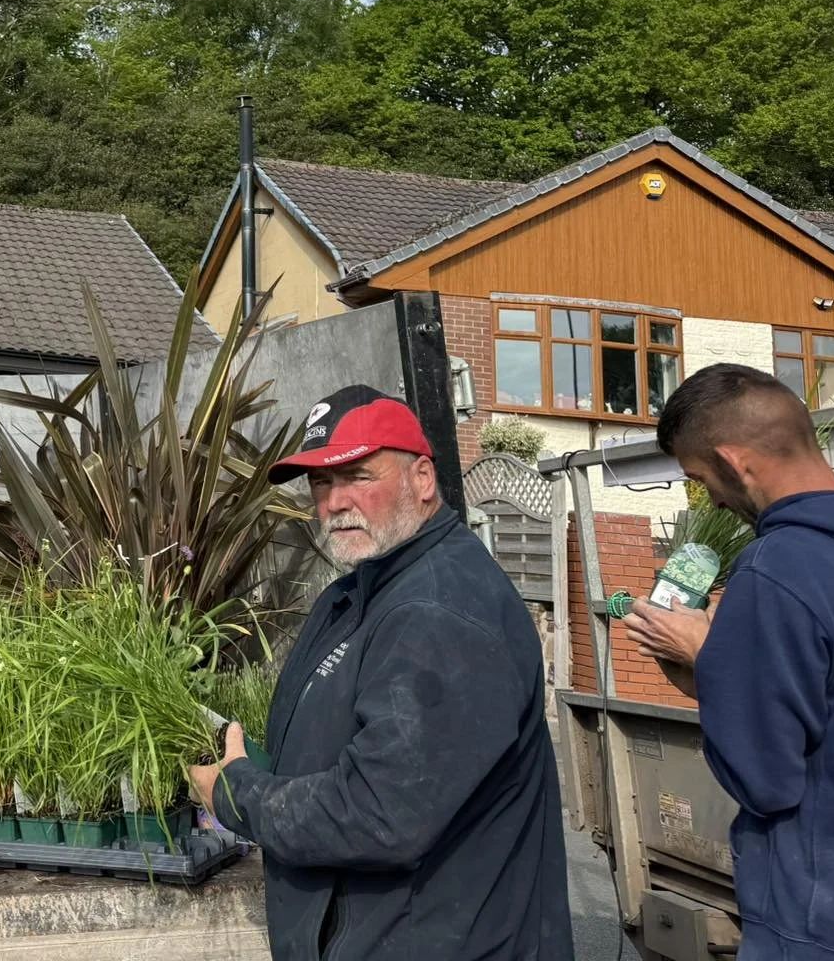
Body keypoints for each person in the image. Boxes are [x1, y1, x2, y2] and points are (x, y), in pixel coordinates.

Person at [189, 384, 572, 961]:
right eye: (321, 482)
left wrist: (238, 793)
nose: (335, 502)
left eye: (359, 476)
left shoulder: (440, 611)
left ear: (422, 479)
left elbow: (381, 813)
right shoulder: (358, 593)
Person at [621, 362, 834, 961]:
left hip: (823, 925)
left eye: (701, 478)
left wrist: (711, 665)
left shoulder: (778, 569)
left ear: (734, 463)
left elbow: (766, 779)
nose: (710, 498)